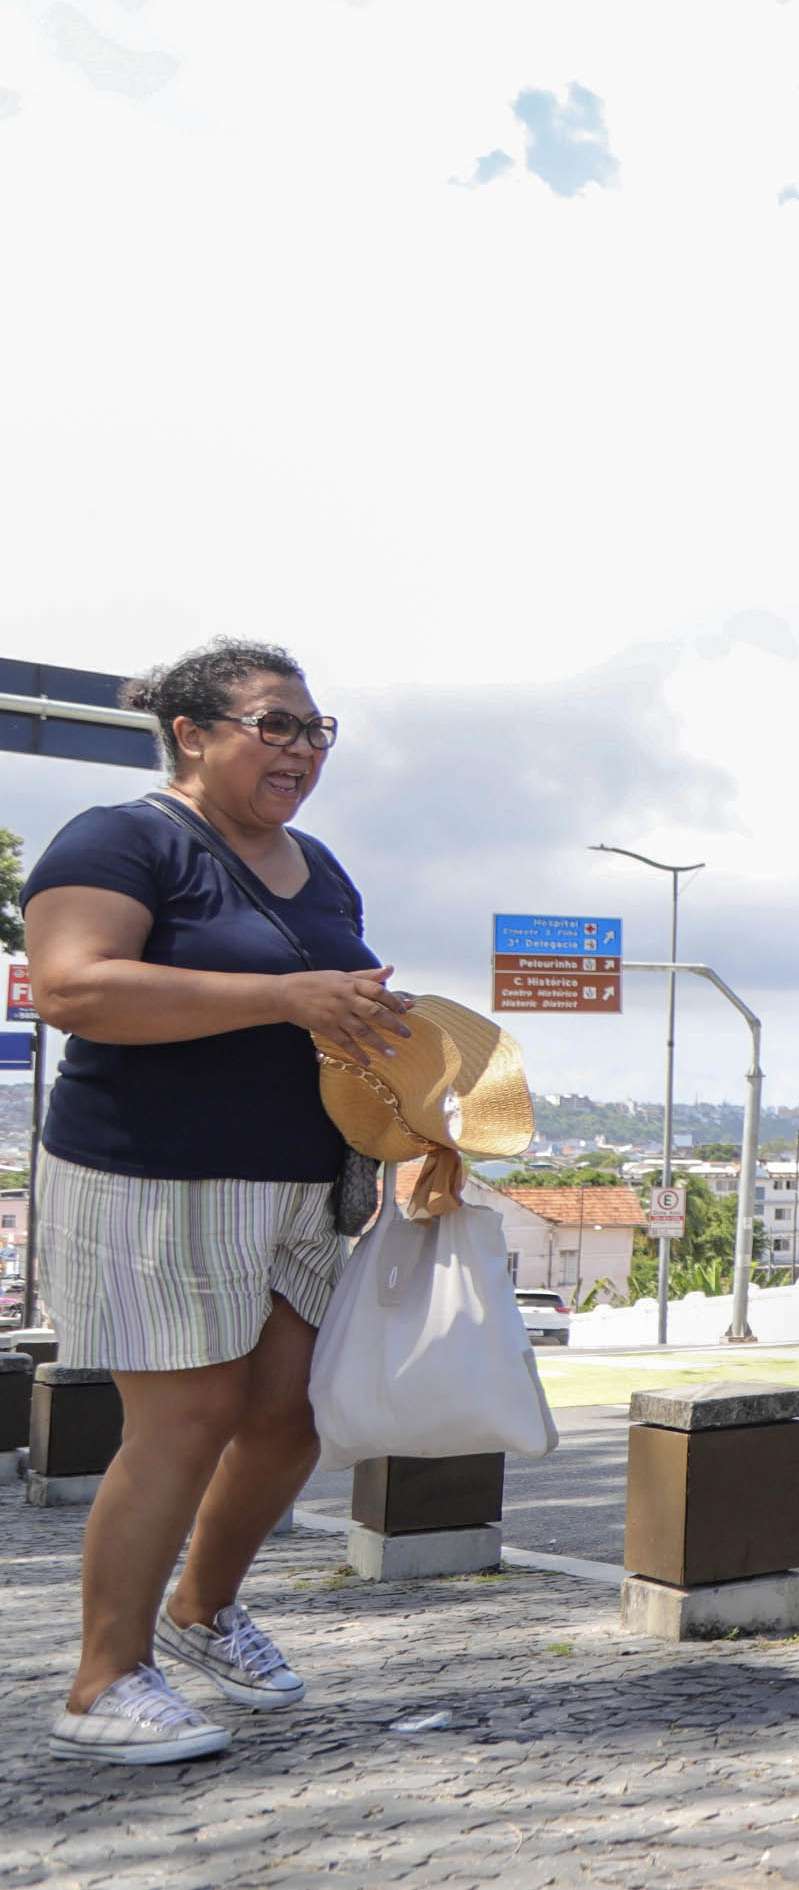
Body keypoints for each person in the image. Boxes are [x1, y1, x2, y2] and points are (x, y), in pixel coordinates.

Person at [25, 639, 415, 1764]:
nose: (302, 748)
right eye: (275, 724)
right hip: (155, 1173)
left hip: (306, 1181)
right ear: (192, 734)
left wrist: (417, 1122)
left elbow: (339, 1018)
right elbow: (73, 986)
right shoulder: (121, 838)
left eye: (315, 728)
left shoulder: (322, 866)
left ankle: (202, 1610)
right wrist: (285, 996)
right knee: (186, 1418)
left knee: (294, 1412)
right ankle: (102, 1682)